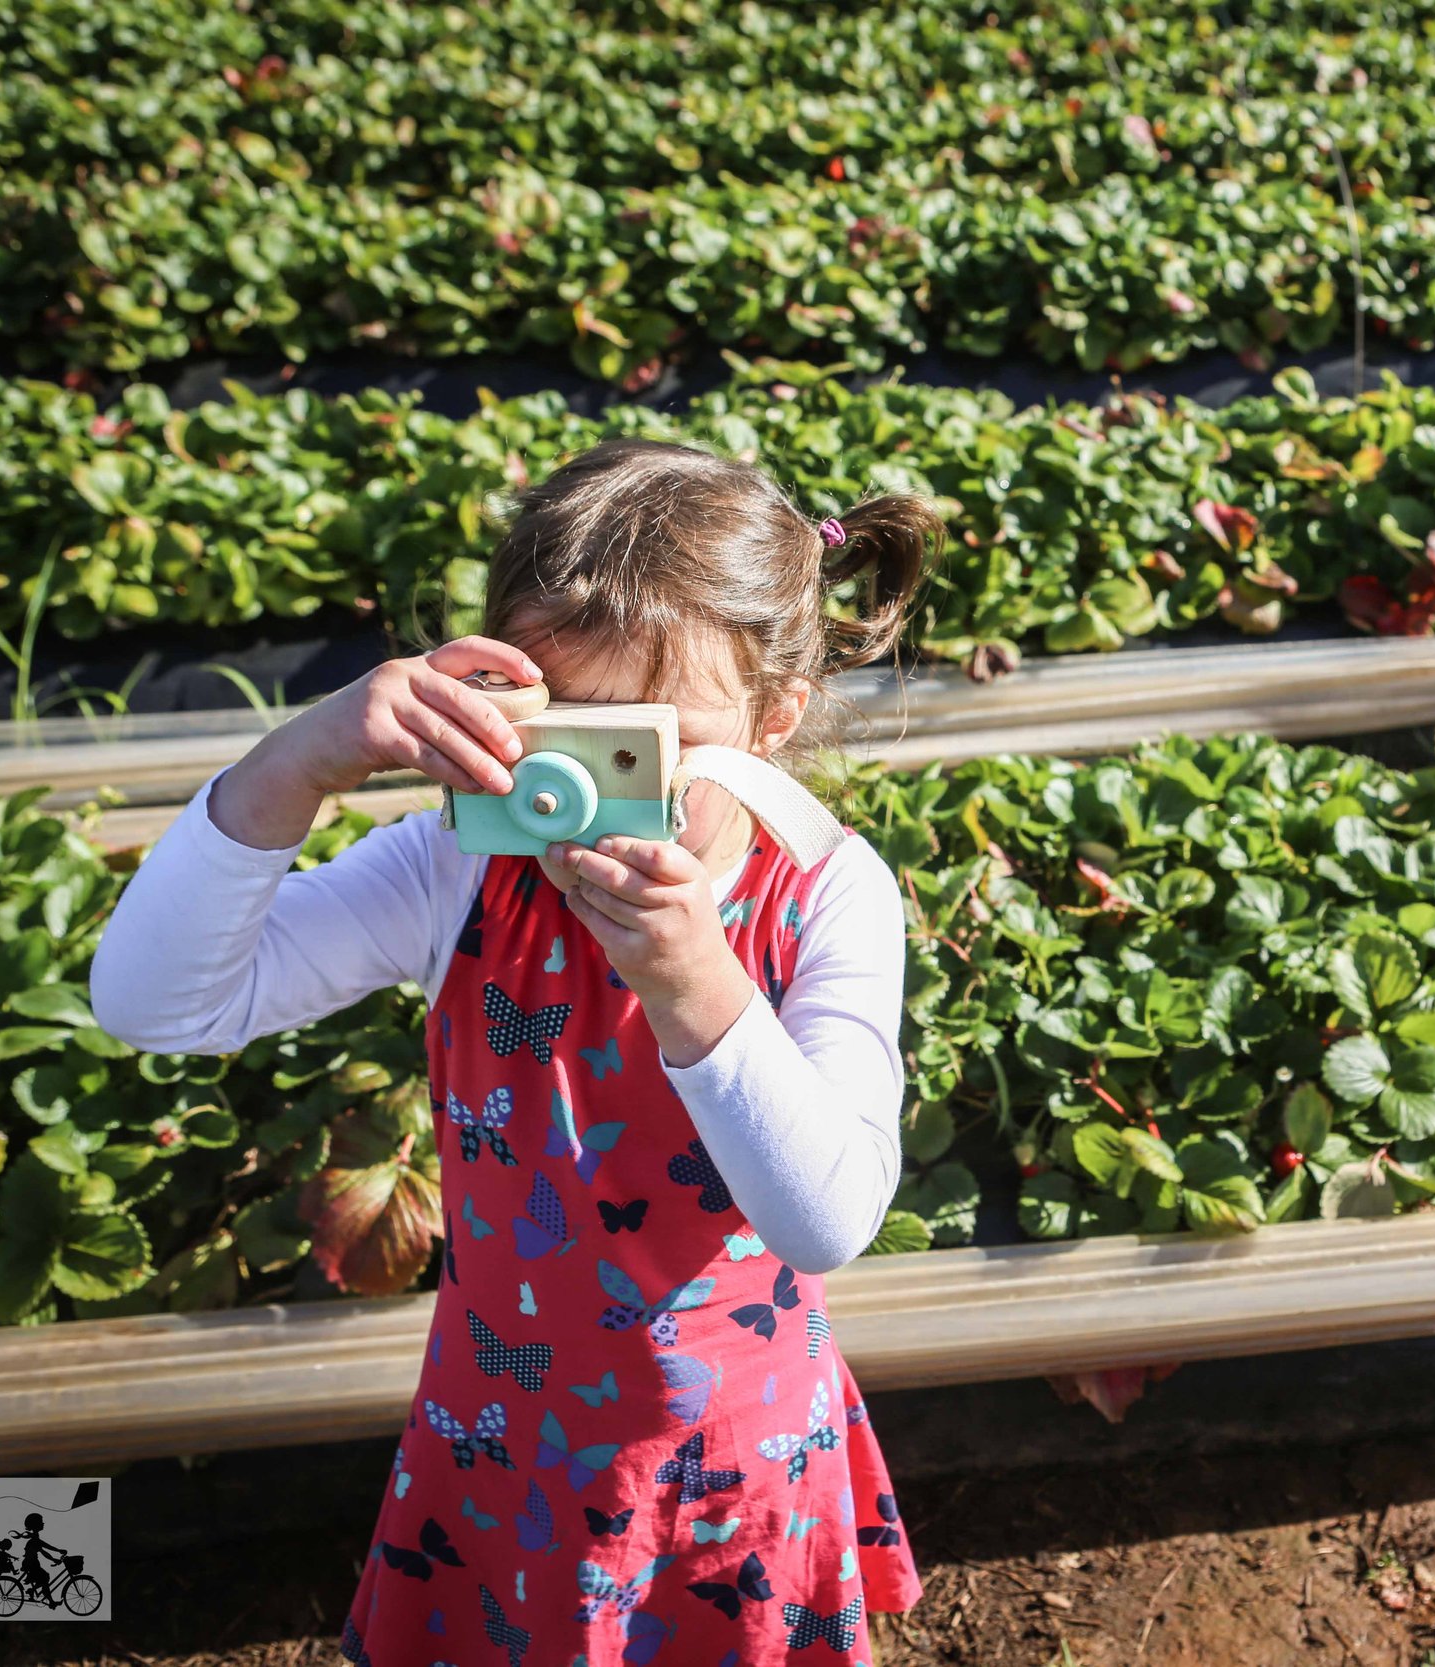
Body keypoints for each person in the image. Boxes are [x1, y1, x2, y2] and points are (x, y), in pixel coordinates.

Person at [90, 440, 937, 1665]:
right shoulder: (462, 869)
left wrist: (698, 982)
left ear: (772, 723)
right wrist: (301, 759)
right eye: (564, 740)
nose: (590, 799)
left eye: (652, 747)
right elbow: (157, 1005)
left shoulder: (820, 889)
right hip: (504, 1437)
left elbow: (828, 1218)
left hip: (733, 1448)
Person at [16, 1514, 64, 1603]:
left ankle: (40, 1595)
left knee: (44, 1578)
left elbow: (42, 1550)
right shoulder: (35, 1539)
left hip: (32, 1562)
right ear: (36, 1524)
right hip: (31, 1563)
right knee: (45, 1577)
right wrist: (58, 1551)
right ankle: (38, 1594)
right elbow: (45, 1547)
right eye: (41, 1522)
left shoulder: (35, 1536)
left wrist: (55, 1557)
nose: (43, 1523)